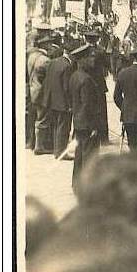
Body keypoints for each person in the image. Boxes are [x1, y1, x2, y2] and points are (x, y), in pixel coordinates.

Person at [68, 44, 100, 186]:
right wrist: (94, 126)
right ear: (81, 60)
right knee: (89, 156)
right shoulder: (86, 79)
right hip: (87, 123)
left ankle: (76, 183)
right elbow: (88, 105)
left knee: (79, 154)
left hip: (78, 121)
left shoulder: (74, 76)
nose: (93, 60)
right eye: (89, 57)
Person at [40, 40, 75, 158]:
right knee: (63, 128)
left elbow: (47, 81)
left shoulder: (53, 62)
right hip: (63, 102)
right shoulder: (68, 66)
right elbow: (66, 87)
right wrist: (70, 104)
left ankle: (56, 149)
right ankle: (61, 152)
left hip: (52, 101)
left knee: (56, 126)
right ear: (71, 53)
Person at [27, 34, 53, 153]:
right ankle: (39, 146)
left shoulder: (32, 56)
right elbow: (48, 77)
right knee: (42, 118)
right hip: (41, 92)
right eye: (48, 43)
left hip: (32, 89)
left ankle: (31, 143)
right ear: (44, 44)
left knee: (34, 117)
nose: (50, 45)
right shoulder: (45, 60)